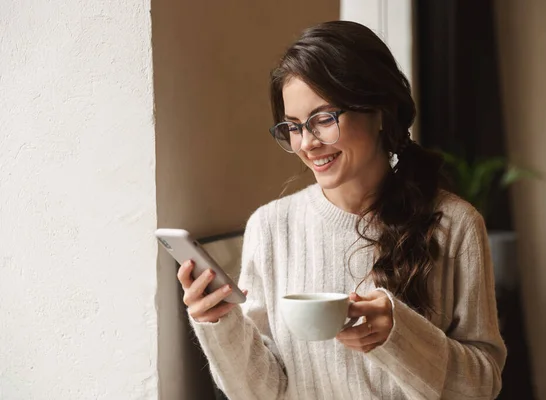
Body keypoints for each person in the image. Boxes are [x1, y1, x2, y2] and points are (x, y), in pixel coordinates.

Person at [177, 20, 507, 400]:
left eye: (323, 119)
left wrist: (398, 335)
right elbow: (258, 392)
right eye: (294, 127)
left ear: (379, 111)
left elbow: (483, 386)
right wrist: (218, 321)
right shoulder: (270, 228)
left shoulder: (456, 224)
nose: (307, 144)